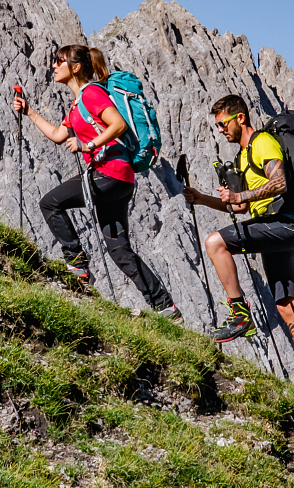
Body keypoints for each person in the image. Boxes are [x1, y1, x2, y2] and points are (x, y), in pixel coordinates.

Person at [14, 44, 182, 322]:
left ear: (75, 67)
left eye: (59, 61)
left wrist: (87, 144)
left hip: (110, 173)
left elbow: (118, 125)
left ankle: (77, 262)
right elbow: (57, 135)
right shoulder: (78, 103)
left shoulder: (91, 93)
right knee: (119, 249)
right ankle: (165, 306)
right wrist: (29, 111)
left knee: (50, 203)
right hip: (118, 179)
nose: (54, 66)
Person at [183, 93, 294, 389]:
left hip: (281, 224)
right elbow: (239, 208)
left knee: (215, 243)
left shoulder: (261, 142)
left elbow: (280, 183)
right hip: (281, 228)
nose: (220, 130)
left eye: (223, 124)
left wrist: (240, 195)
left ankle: (239, 314)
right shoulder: (242, 157)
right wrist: (202, 199)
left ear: (240, 118)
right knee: (287, 305)